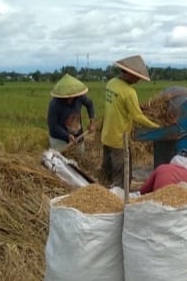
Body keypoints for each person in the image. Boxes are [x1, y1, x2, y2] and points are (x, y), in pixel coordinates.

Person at [101, 54, 160, 187]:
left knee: (107, 173)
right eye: (136, 76)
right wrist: (156, 126)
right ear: (127, 72)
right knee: (122, 176)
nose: (138, 79)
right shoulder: (129, 92)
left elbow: (120, 107)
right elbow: (137, 116)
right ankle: (120, 202)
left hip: (106, 136)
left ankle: (105, 196)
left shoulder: (111, 83)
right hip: (119, 140)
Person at [47, 74, 96, 153]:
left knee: (80, 160)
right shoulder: (54, 104)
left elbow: (90, 104)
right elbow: (53, 126)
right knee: (62, 162)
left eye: (72, 96)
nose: (70, 98)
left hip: (78, 135)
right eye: (67, 97)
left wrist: (92, 122)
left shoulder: (79, 97)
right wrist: (67, 135)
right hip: (59, 139)